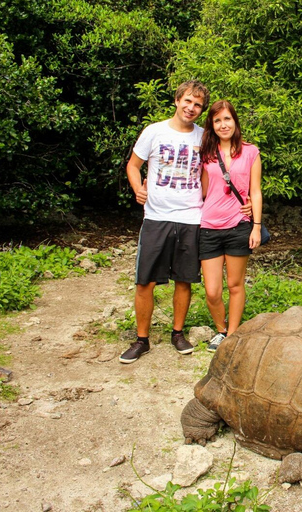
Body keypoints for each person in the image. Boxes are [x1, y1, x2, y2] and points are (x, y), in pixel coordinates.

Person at [119, 81, 250, 364]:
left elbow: (224, 170)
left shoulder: (205, 137)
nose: (191, 108)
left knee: (184, 280)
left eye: (198, 105)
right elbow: (133, 165)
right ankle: (142, 340)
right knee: (145, 282)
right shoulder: (154, 131)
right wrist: (137, 188)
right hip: (156, 216)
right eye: (188, 101)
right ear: (178, 100)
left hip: (192, 217)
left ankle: (177, 333)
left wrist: (245, 201)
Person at [198, 100, 263, 351]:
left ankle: (232, 334)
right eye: (217, 120)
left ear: (234, 121)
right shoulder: (206, 154)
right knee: (212, 290)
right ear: (211, 125)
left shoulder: (250, 152)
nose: (223, 124)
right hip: (209, 226)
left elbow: (255, 191)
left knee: (235, 285)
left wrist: (256, 225)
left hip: (239, 225)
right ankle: (220, 329)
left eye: (227, 119)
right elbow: (203, 190)